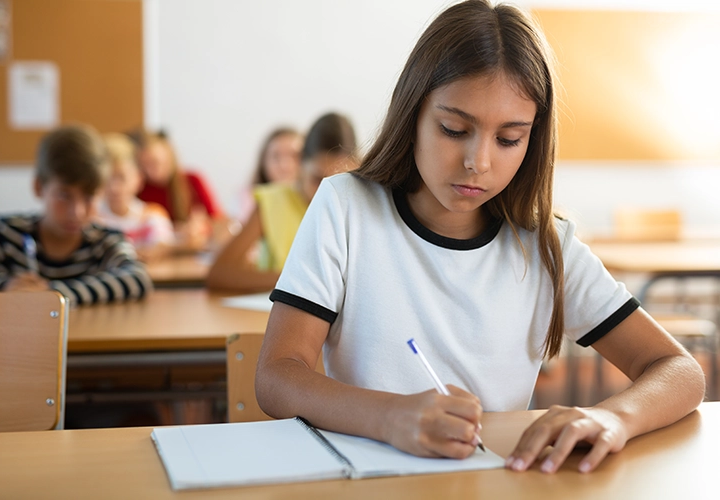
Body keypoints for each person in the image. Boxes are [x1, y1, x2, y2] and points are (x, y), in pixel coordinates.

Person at [255, 0, 704, 476]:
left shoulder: (546, 244)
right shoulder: (347, 208)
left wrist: (612, 418)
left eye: (509, 139)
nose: (479, 162)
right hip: (369, 477)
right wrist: (388, 416)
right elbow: (277, 375)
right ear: (413, 114)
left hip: (496, 479)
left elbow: (679, 371)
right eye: (454, 129)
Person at [0, 124, 153, 305]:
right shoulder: (2, 234)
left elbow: (138, 278)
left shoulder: (105, 242)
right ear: (39, 187)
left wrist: (52, 294)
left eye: (89, 197)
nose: (77, 212)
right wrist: (5, 286)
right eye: (64, 196)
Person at [206, 113, 357, 292]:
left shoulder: (358, 204)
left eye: (339, 181)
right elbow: (220, 274)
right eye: (317, 179)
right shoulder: (273, 202)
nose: (327, 193)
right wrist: (297, 280)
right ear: (301, 164)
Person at [129, 128, 229, 250]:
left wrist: (202, 227)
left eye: (155, 162)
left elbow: (219, 221)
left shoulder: (192, 181)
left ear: (168, 154)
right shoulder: (138, 189)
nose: (151, 172)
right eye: (144, 166)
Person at [96, 133, 175, 261]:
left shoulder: (153, 216)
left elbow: (165, 247)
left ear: (138, 179)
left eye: (121, 178)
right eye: (107, 178)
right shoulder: (92, 218)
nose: (114, 187)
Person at [237, 127, 304, 222]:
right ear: (264, 162)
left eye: (294, 156)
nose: (284, 165)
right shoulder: (248, 199)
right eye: (276, 157)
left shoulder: (316, 201)